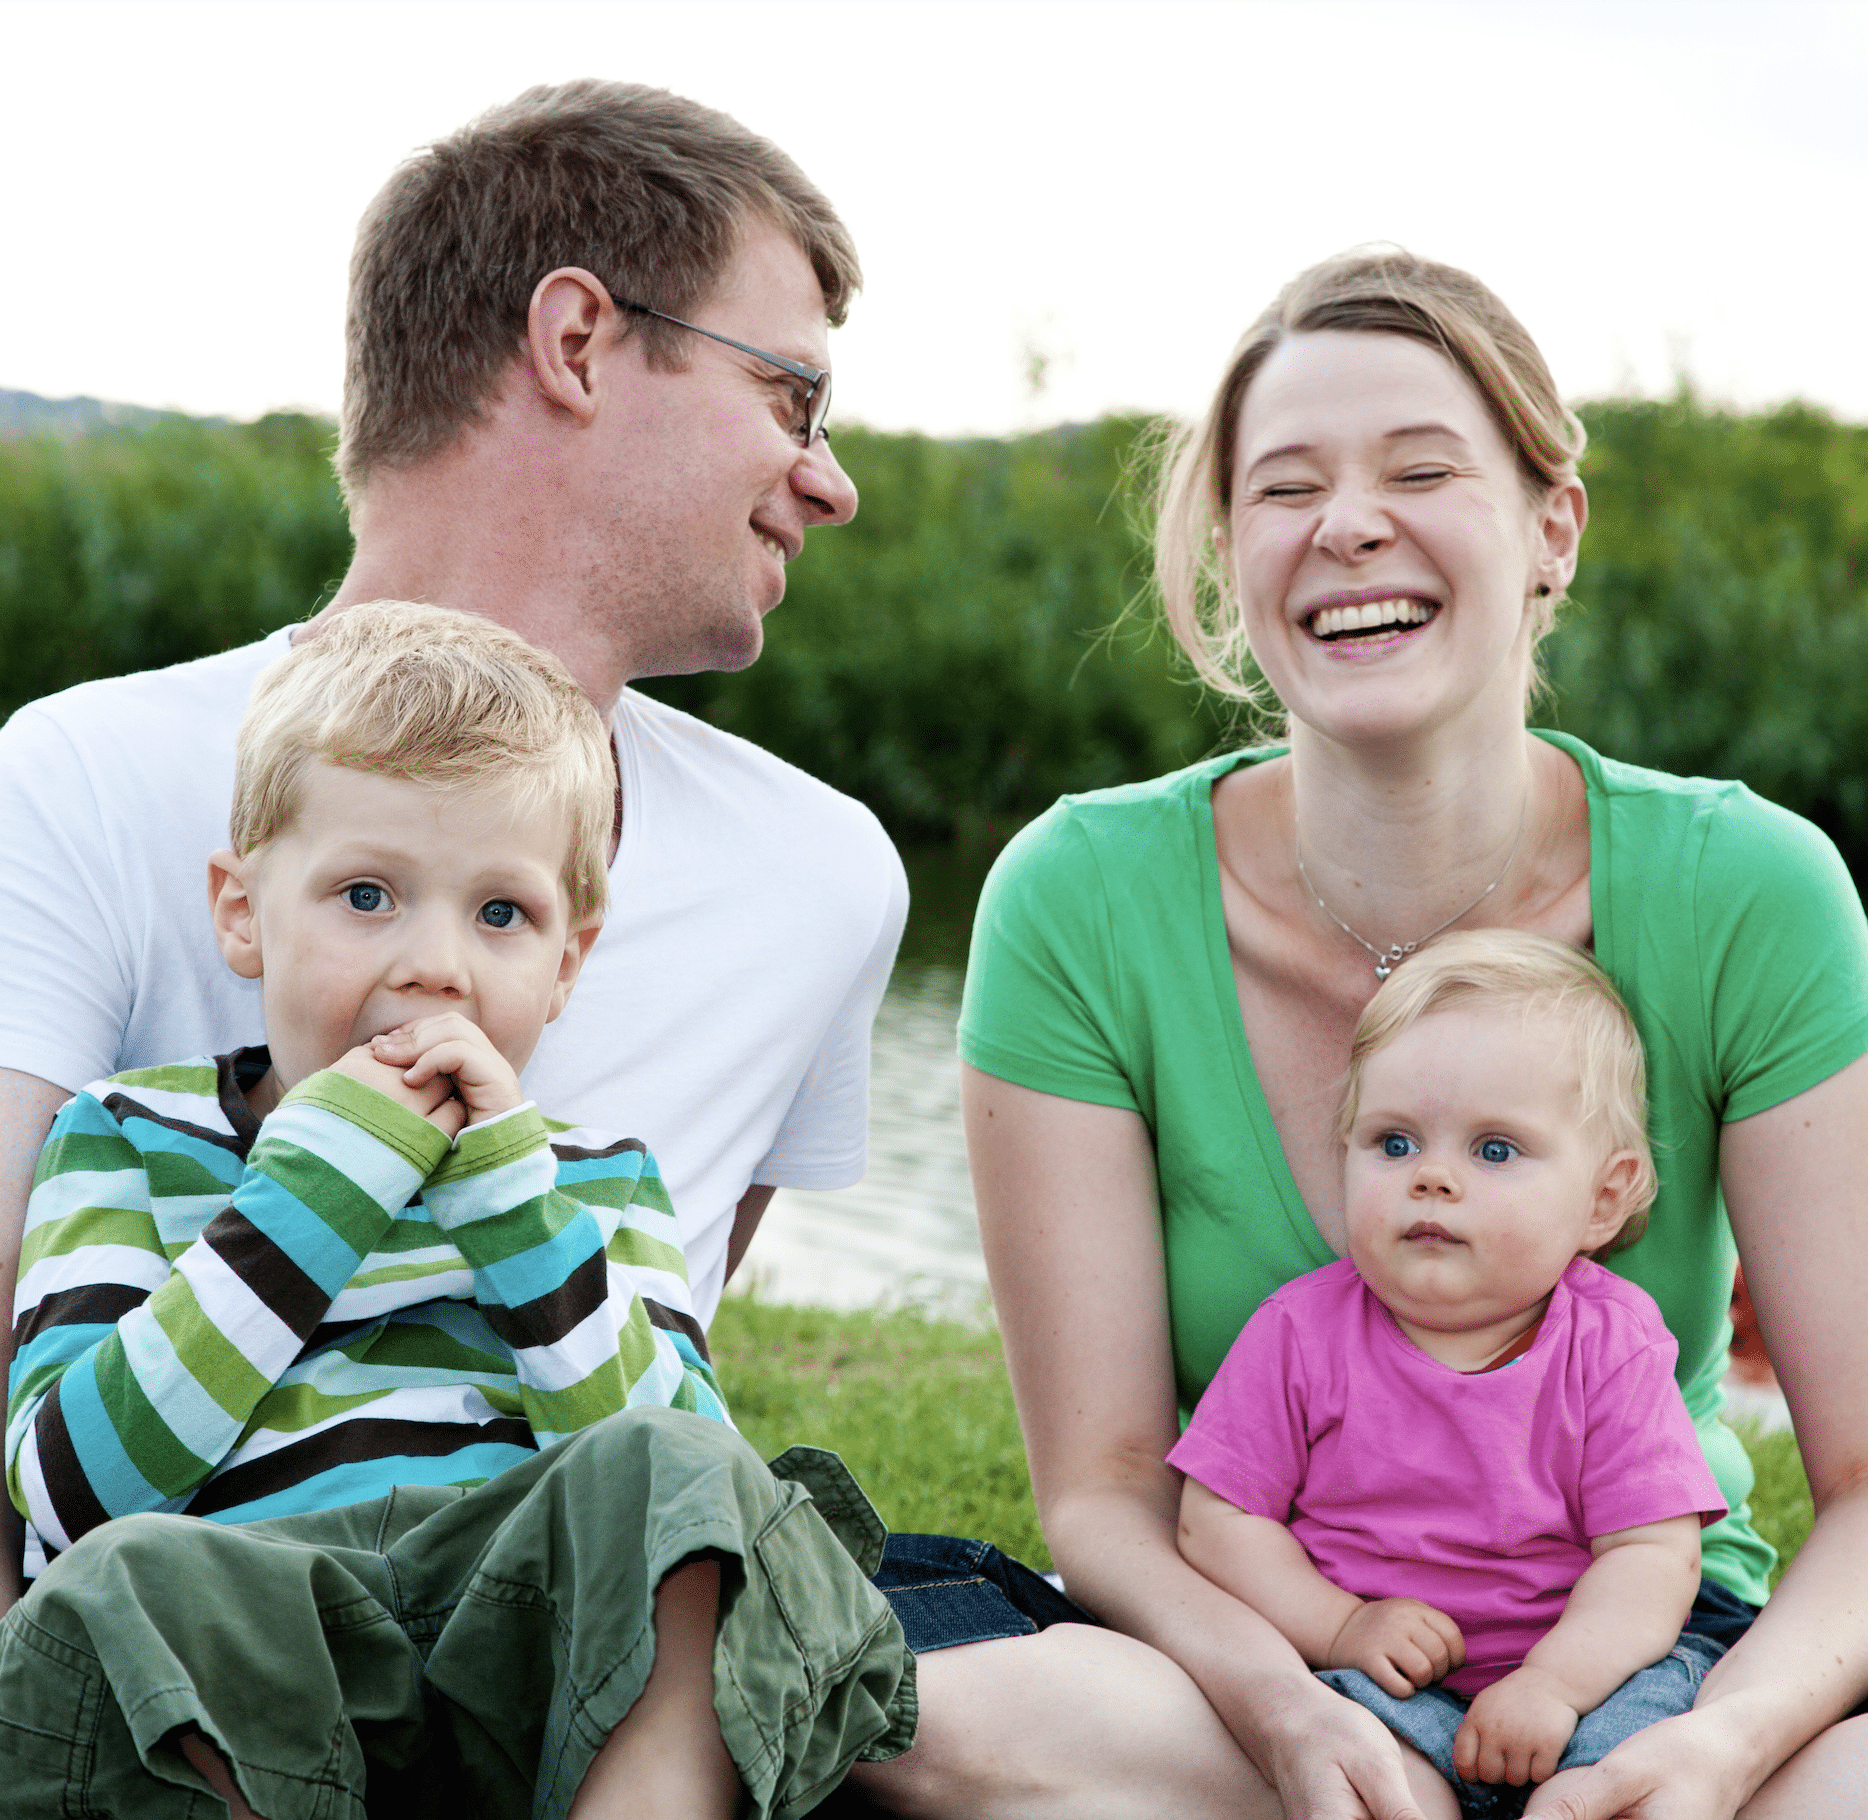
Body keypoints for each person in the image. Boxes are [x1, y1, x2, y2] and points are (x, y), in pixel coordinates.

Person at [0, 79, 1259, 1820]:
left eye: (510, 915)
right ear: (579, 341)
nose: (833, 481)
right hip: (214, 1612)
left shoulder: (821, 879)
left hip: (574, 1610)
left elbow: (655, 1423)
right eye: (789, 393)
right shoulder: (79, 778)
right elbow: (41, 1464)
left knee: (1133, 1715)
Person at [959, 246, 1868, 1817]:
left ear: (1550, 530)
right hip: (1270, 1663)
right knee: (923, 1716)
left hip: (1656, 1662)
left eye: (1422, 469)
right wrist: (1289, 1713)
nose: (1346, 524)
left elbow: (1864, 1490)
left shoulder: (1752, 890)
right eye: (1283, 487)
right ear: (1235, 553)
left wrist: (1712, 1751)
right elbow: (1105, 1499)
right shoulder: (1077, 898)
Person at [0, 603, 913, 1820]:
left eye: (500, 914)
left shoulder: (591, 1180)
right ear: (240, 912)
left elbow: (692, 1488)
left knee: (687, 1481)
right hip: (247, 1645)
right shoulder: (126, 1137)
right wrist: (321, 1185)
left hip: (520, 1655)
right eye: (367, 894)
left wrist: (511, 1207)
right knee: (122, 1582)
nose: (436, 963)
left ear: (568, 959)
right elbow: (68, 1492)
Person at [1173, 931, 1728, 1818]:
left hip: (1584, 1676)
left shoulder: (1611, 1344)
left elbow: (1651, 1555)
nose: (1431, 1178)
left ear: (1605, 1197)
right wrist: (1341, 1625)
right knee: (1350, 1762)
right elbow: (1219, 1522)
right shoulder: (1300, 1333)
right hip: (1370, 1678)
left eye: (1495, 1151)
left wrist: (1554, 1682)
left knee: (1652, 1746)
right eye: (1393, 1144)